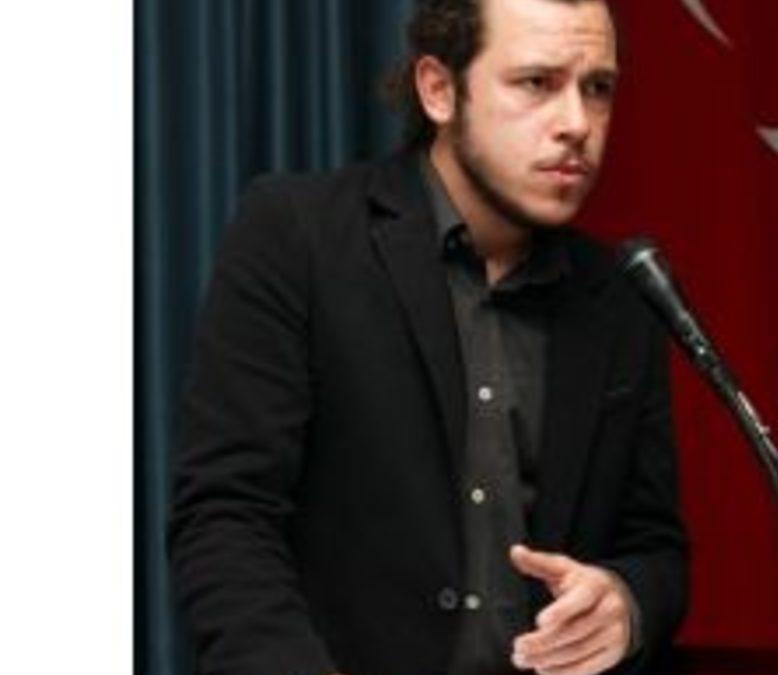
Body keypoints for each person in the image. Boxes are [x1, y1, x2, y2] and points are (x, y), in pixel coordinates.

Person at [168, 1, 689, 674]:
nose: (577, 123)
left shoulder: (621, 296)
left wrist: (626, 602)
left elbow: (656, 548)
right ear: (439, 89)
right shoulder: (298, 236)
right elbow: (225, 517)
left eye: (598, 88)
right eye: (537, 82)